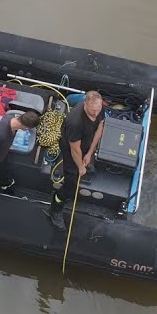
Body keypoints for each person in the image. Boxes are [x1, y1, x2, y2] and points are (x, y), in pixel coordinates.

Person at [48, 91, 105, 231]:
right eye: (92, 111)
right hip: (71, 151)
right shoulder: (75, 122)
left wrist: (90, 153)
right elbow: (75, 150)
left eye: (97, 110)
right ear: (85, 104)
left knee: (86, 160)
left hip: (85, 143)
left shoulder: (98, 108)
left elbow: (99, 127)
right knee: (70, 186)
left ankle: (84, 163)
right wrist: (80, 167)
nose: (95, 114)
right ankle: (55, 209)